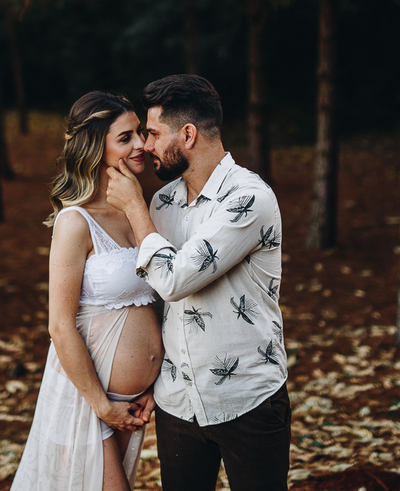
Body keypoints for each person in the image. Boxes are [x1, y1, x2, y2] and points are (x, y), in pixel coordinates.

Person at [106, 74, 290, 491]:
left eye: (153, 133)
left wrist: (134, 207)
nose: (145, 145)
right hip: (177, 403)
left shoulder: (248, 199)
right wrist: (152, 378)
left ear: (187, 134)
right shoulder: (163, 202)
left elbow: (174, 279)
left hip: (248, 398)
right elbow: (155, 302)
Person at [11, 91, 163, 491]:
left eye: (141, 134)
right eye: (126, 137)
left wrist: (154, 386)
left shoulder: (141, 213)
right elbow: (59, 326)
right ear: (96, 146)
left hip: (135, 399)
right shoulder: (75, 222)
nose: (142, 145)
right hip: (88, 401)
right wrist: (101, 405)